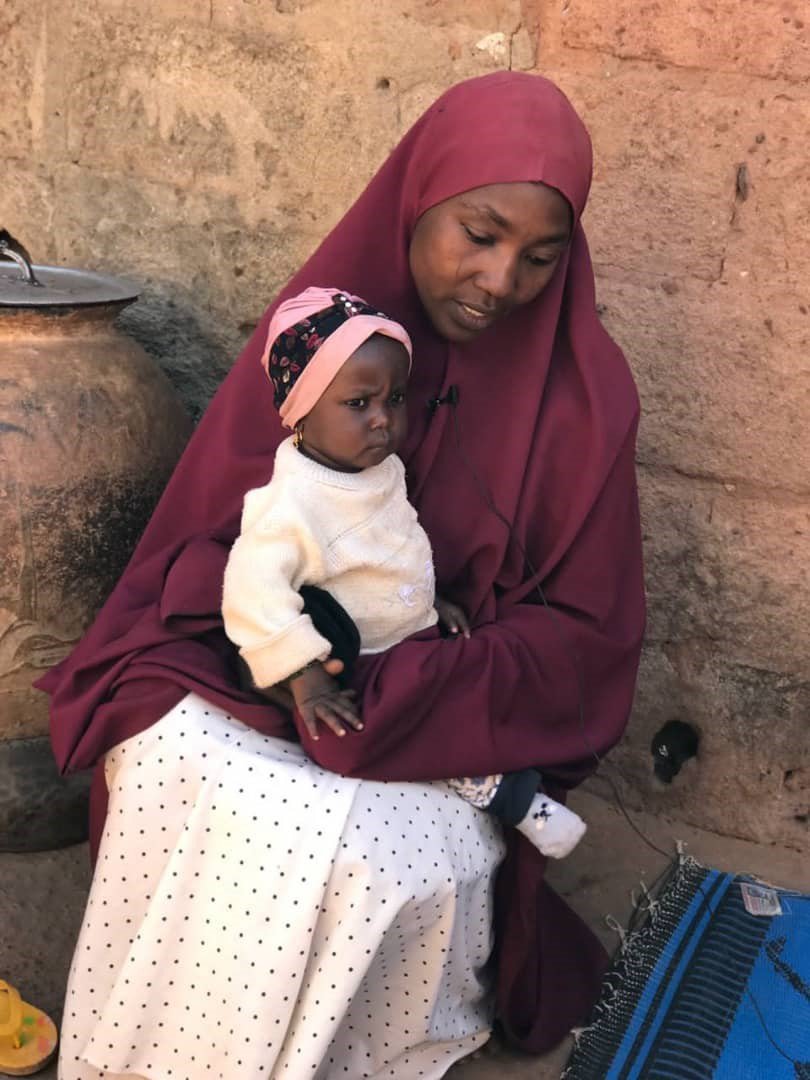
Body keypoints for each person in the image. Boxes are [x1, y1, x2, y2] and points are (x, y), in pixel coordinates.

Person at [38, 70, 645, 1078]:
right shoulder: (319, 341)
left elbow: (589, 637)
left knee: (364, 859)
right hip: (269, 672)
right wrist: (295, 649)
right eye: (480, 235)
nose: (501, 282)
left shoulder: (589, 400)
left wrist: (425, 679)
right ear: (419, 201)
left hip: (445, 717)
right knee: (175, 774)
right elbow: (205, 552)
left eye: (541, 257)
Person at [223, 285, 587, 859]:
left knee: (482, 669)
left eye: (395, 399)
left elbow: (393, 548)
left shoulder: (380, 469)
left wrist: (425, 601)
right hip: (353, 663)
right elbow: (251, 592)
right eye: (357, 404)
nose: (382, 421)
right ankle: (494, 788)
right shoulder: (289, 504)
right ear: (302, 409)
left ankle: (498, 753)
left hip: (406, 640)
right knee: (347, 738)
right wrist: (304, 676)